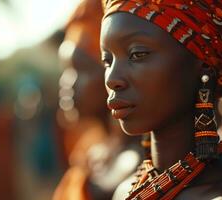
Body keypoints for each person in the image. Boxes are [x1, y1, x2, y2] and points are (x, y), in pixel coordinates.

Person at [100, 0, 222, 199]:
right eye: (107, 60)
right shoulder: (125, 191)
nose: (113, 79)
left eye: (137, 54)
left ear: (203, 65)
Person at [53, 0, 141, 199]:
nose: (66, 83)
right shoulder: (90, 154)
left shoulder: (148, 167)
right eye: (65, 70)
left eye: (80, 69)